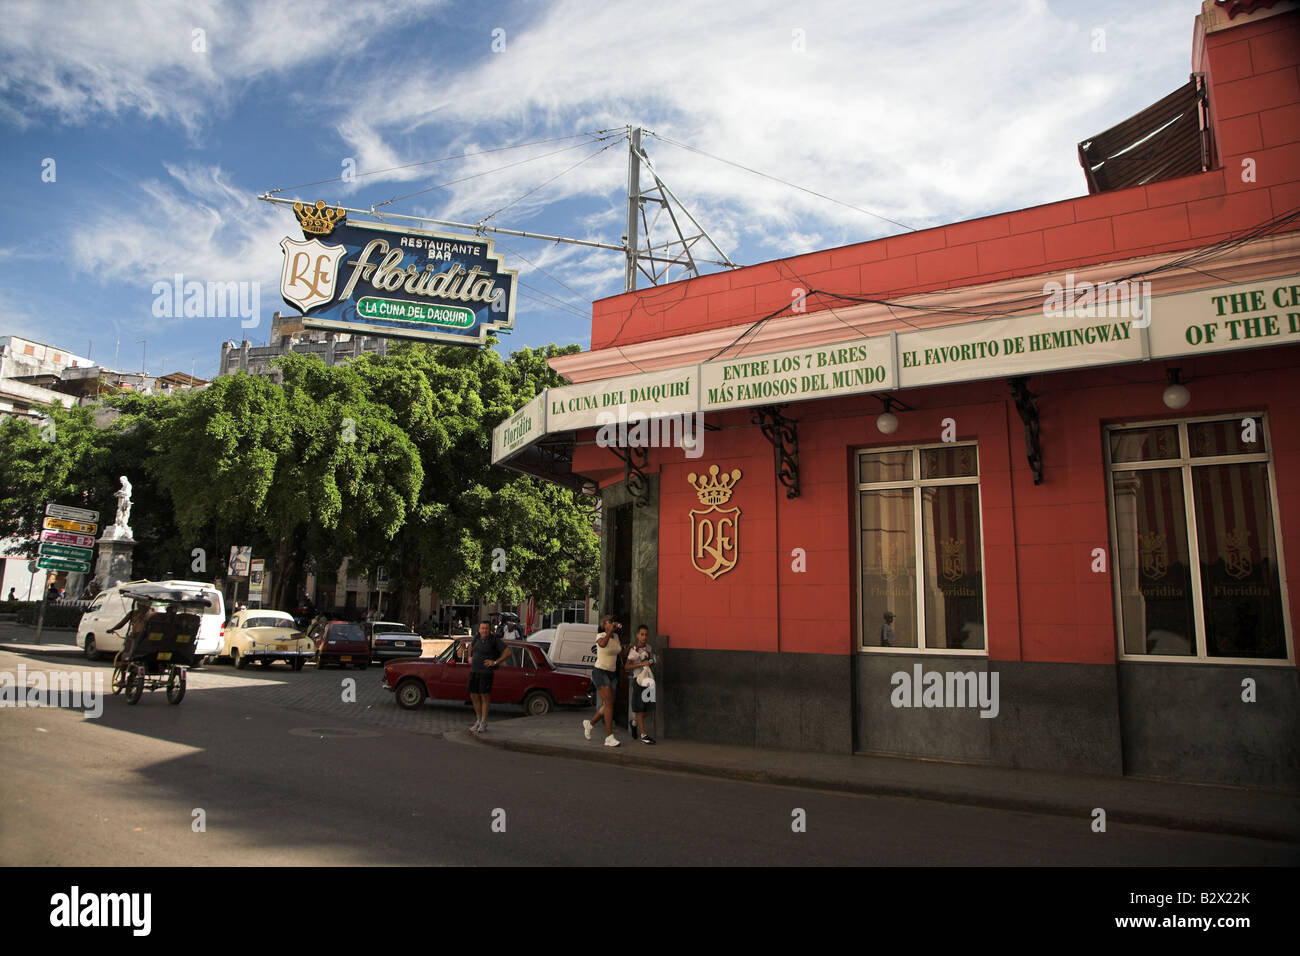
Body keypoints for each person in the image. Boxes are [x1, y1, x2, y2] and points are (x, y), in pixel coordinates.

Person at [583, 615, 623, 747]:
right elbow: (603, 644)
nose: (612, 623)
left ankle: (590, 723)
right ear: (603, 625)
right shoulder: (600, 635)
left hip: (612, 673)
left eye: (613, 621)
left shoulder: (616, 637)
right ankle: (609, 737)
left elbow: (618, 652)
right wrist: (610, 631)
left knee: (608, 704)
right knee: (609, 704)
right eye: (609, 622)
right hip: (600, 672)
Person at [467, 621, 510, 734]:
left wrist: (495, 662)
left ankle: (484, 722)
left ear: (490, 630)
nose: (484, 630)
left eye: (486, 628)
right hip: (474, 671)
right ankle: (478, 719)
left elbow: (508, 651)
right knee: (474, 696)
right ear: (479, 629)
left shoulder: (494, 640)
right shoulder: (476, 638)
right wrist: (469, 657)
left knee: (484, 696)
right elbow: (471, 648)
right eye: (482, 628)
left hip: (486, 672)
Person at [624, 624, 656, 744]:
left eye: (646, 634)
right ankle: (643, 734)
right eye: (642, 634)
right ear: (637, 635)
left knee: (649, 709)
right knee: (639, 709)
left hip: (648, 680)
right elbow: (626, 666)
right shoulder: (634, 650)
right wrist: (640, 664)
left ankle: (634, 723)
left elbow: (650, 661)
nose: (644, 637)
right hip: (638, 680)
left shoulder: (649, 648)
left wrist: (652, 661)